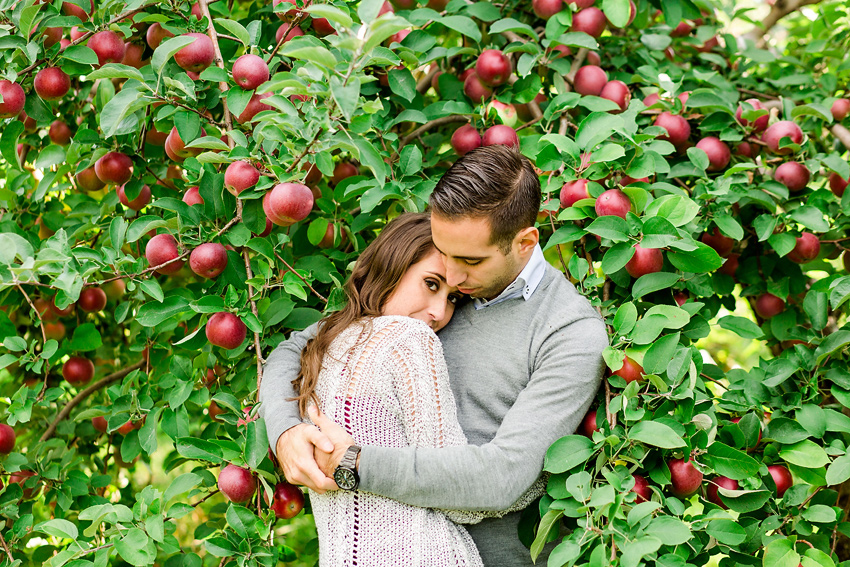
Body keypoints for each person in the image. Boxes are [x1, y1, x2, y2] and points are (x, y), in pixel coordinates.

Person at [259, 145, 609, 566]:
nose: (454, 279)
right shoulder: (420, 292)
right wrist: (285, 433)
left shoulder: (569, 331)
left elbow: (506, 475)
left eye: (470, 261)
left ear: (525, 241)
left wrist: (354, 464)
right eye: (443, 253)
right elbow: (295, 348)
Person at [292, 212, 544, 566]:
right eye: (431, 283)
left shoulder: (323, 346)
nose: (439, 312)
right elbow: (459, 494)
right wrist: (544, 475)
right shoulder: (410, 339)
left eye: (454, 298)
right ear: (394, 263)